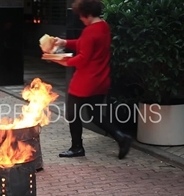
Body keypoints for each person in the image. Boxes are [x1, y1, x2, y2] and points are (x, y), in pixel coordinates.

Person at [50, 0, 132, 159]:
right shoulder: (103, 26)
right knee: (95, 115)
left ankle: (77, 147)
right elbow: (84, 45)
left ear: (87, 14)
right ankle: (121, 137)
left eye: (81, 16)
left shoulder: (89, 31)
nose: (80, 19)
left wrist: (60, 59)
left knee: (73, 114)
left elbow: (83, 57)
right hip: (101, 79)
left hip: (85, 81)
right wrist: (65, 42)